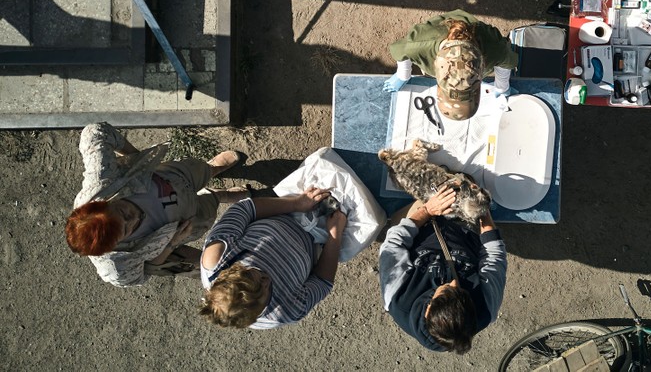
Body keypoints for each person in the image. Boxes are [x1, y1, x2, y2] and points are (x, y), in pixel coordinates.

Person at [66, 122, 249, 287]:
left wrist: (137, 159)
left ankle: (211, 169)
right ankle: (218, 195)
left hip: (173, 177)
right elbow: (140, 276)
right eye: (126, 230)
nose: (134, 217)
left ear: (103, 203)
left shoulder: (100, 185)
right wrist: (171, 244)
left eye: (122, 211)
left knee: (199, 170)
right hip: (187, 221)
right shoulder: (114, 265)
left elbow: (96, 133)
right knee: (209, 208)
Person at [379, 186, 507, 354]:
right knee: (469, 184)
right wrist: (481, 209)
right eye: (461, 290)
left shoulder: (397, 298)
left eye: (446, 289)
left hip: (421, 226)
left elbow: (395, 242)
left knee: (421, 183)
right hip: (465, 230)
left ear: (428, 309)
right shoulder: (485, 308)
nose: (454, 282)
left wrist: (428, 210)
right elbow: (494, 253)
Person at [199, 188, 347, 329]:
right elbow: (322, 282)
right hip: (318, 240)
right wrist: (334, 236)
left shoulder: (217, 258)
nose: (267, 281)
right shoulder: (287, 311)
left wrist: (295, 204)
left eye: (255, 273)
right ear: (256, 315)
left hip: (284, 208)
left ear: (230, 271)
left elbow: (245, 210)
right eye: (265, 291)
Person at [382, 9, 519, 121]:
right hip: (438, 29)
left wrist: (502, 87)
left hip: (478, 30)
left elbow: (507, 62)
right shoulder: (417, 45)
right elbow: (399, 51)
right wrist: (403, 74)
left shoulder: (494, 47)